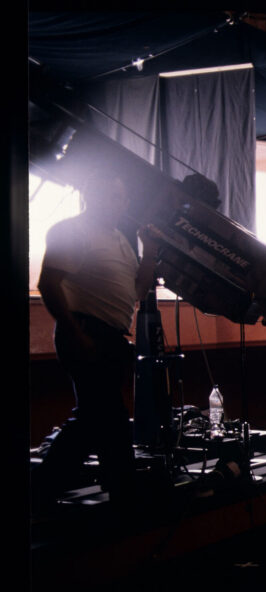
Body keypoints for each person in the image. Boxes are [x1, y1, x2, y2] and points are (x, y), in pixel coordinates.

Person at [34, 171, 158, 510]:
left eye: (122, 197)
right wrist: (75, 332)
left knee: (100, 417)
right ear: (92, 195)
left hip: (112, 337)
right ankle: (47, 493)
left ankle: (114, 493)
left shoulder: (120, 238)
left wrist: (149, 254)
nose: (121, 203)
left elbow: (138, 291)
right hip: (86, 331)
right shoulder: (72, 230)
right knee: (104, 415)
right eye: (113, 196)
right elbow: (48, 284)